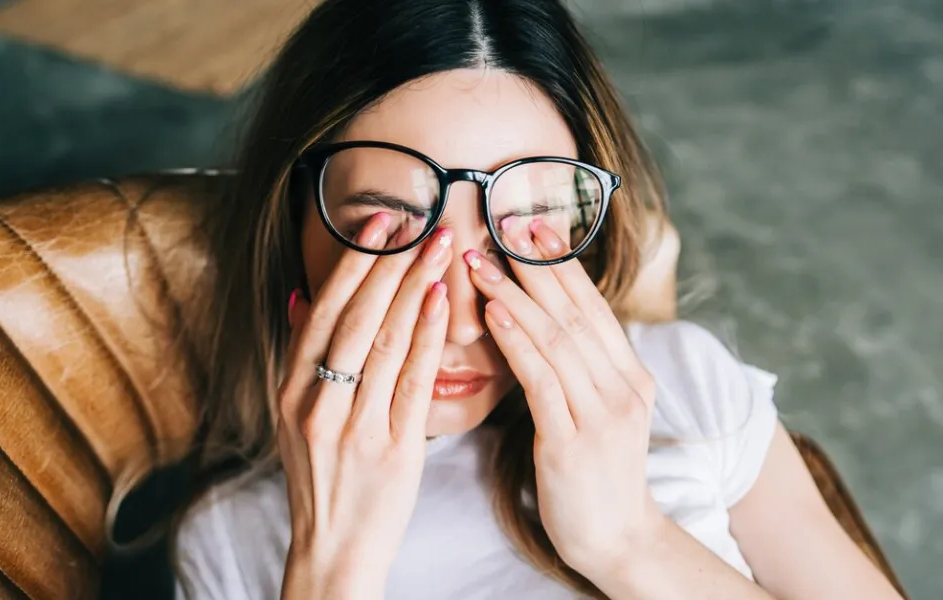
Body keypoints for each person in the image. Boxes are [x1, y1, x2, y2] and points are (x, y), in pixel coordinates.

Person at [172, 0, 904, 598]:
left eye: (521, 231)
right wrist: (332, 573)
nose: (460, 321)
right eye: (385, 231)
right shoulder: (230, 544)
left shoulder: (684, 390)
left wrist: (628, 540)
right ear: (291, 224)